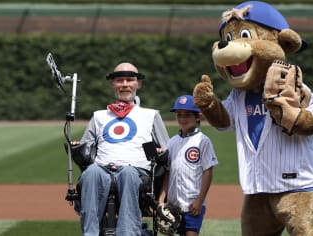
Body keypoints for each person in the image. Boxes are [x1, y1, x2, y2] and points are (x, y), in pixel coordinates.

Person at [77, 62, 169, 236]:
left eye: (129, 80)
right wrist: (77, 148)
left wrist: (160, 152)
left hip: (135, 169)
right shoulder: (99, 116)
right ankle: (90, 233)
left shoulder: (150, 115)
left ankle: (128, 233)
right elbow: (85, 149)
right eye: (120, 80)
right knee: (90, 173)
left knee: (127, 173)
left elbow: (167, 149)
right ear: (113, 84)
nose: (125, 84)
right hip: (102, 167)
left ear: (138, 84)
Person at [158, 95, 218, 236]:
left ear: (198, 117)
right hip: (174, 203)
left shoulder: (203, 141)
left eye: (188, 115)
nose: (183, 119)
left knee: (191, 234)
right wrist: (162, 199)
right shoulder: (172, 142)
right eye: (179, 115)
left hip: (193, 202)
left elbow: (208, 172)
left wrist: (199, 200)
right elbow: (168, 172)